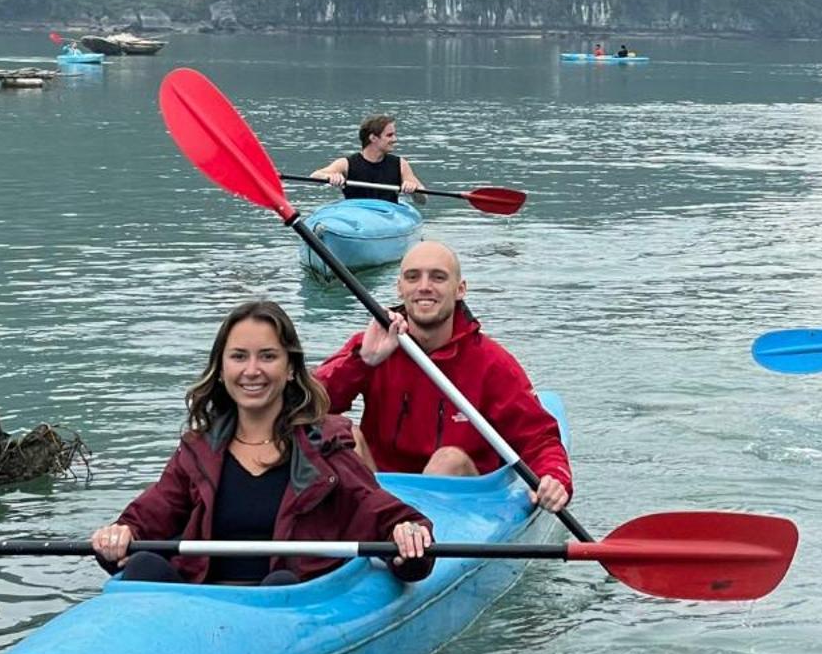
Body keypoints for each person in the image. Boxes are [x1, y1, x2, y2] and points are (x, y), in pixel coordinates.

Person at [90, 300, 434, 586]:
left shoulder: (324, 448)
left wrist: (407, 537)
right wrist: (119, 536)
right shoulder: (199, 450)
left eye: (267, 356)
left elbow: (389, 517)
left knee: (278, 582)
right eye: (239, 357)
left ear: (289, 369)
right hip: (201, 608)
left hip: (283, 606)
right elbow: (149, 516)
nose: (252, 370)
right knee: (144, 565)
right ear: (221, 370)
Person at [315, 241, 573, 513]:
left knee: (447, 461)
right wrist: (361, 362)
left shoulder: (492, 363)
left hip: (460, 501)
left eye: (438, 277)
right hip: (378, 495)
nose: (424, 286)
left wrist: (554, 476)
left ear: (460, 290)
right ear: (400, 288)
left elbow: (538, 439)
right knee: (341, 433)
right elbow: (301, 406)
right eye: (413, 277)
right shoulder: (373, 343)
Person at [311, 114, 426, 204]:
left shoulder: (400, 164)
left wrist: (414, 189)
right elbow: (315, 176)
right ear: (373, 138)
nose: (395, 139)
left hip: (388, 215)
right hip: (356, 215)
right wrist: (329, 176)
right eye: (389, 135)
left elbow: (423, 200)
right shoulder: (346, 163)